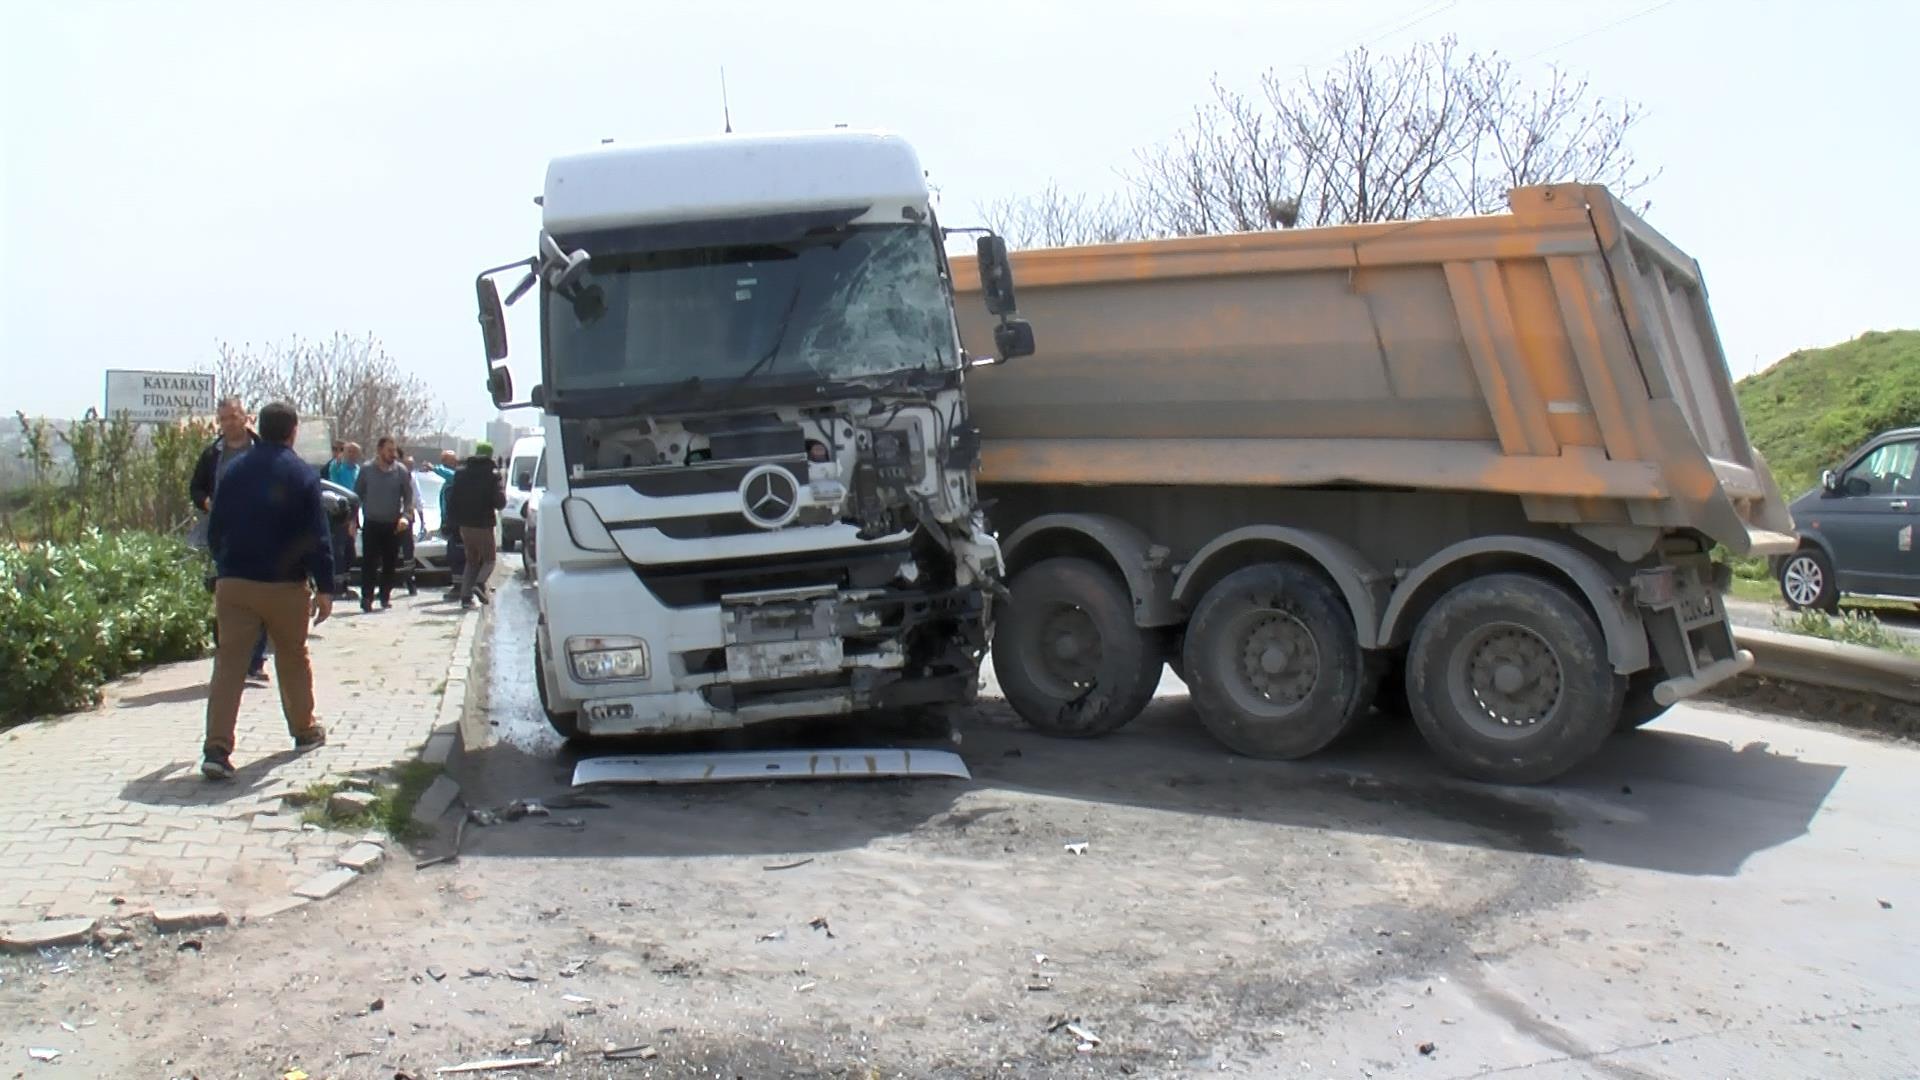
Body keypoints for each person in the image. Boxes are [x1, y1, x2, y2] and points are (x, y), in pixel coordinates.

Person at [200, 401, 332, 780]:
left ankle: (217, 747)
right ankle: (304, 729)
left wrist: (225, 564)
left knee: (229, 665)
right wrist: (324, 586)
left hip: (235, 583)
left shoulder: (235, 469)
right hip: (284, 586)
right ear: (293, 431)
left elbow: (215, 528)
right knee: (292, 657)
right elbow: (316, 536)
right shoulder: (302, 475)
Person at [190, 397, 270, 684]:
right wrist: (207, 502)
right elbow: (196, 488)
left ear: (245, 417)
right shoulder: (213, 454)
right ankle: (229, 658)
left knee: (260, 597)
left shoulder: (262, 450)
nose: (228, 424)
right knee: (228, 598)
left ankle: (256, 661)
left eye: (233, 417)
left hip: (260, 534)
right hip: (224, 535)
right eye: (223, 419)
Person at [353, 436, 416, 612]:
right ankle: (367, 597)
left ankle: (385, 595)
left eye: (394, 450)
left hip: (393, 524)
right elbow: (356, 495)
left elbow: (409, 497)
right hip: (372, 523)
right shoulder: (367, 470)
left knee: (390, 562)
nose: (393, 454)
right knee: (369, 562)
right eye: (389, 450)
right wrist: (352, 520)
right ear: (380, 450)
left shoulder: (401, 471)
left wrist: (406, 516)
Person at [447, 441, 506, 609]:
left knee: (471, 561)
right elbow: (499, 502)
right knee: (489, 560)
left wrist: (452, 521)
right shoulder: (493, 474)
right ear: (490, 455)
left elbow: (453, 498)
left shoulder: (460, 473)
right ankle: (479, 585)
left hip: (464, 525)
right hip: (483, 524)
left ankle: (465, 598)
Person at [432, 449, 466, 592]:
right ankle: (459, 584)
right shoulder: (449, 481)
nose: (446, 464)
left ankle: (461, 586)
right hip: (449, 522)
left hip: (457, 523)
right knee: (453, 554)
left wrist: (434, 468)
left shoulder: (457, 476)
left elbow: (449, 474)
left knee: (457, 553)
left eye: (448, 461)